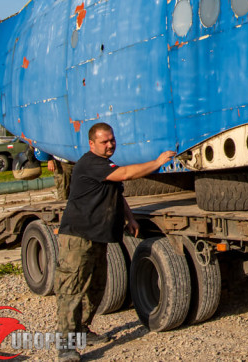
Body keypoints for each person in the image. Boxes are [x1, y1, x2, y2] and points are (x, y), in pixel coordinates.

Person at [55, 122, 175, 361]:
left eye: (112, 139)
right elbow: (126, 174)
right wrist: (158, 162)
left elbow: (117, 193)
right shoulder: (90, 163)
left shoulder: (105, 165)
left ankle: (82, 331)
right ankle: (65, 346)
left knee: (96, 287)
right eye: (104, 141)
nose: (110, 144)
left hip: (97, 237)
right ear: (92, 144)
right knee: (72, 289)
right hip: (78, 238)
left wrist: (129, 218)